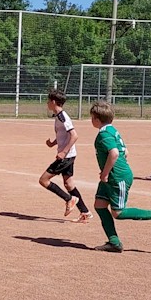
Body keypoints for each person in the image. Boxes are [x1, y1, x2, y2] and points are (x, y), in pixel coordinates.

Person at [89, 100, 151, 253]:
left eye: (92, 117)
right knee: (99, 205)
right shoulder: (112, 130)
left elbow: (114, 153)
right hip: (113, 175)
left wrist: (106, 173)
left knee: (118, 213)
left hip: (116, 177)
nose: (91, 120)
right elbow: (125, 152)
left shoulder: (104, 134)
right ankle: (114, 243)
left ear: (97, 119)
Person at [40, 89, 92, 222]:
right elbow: (64, 135)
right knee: (69, 184)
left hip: (66, 156)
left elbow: (74, 135)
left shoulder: (63, 117)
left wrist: (63, 152)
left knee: (44, 180)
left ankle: (69, 199)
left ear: (53, 102)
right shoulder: (58, 116)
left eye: (48, 101)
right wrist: (53, 143)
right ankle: (85, 212)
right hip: (70, 155)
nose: (47, 103)